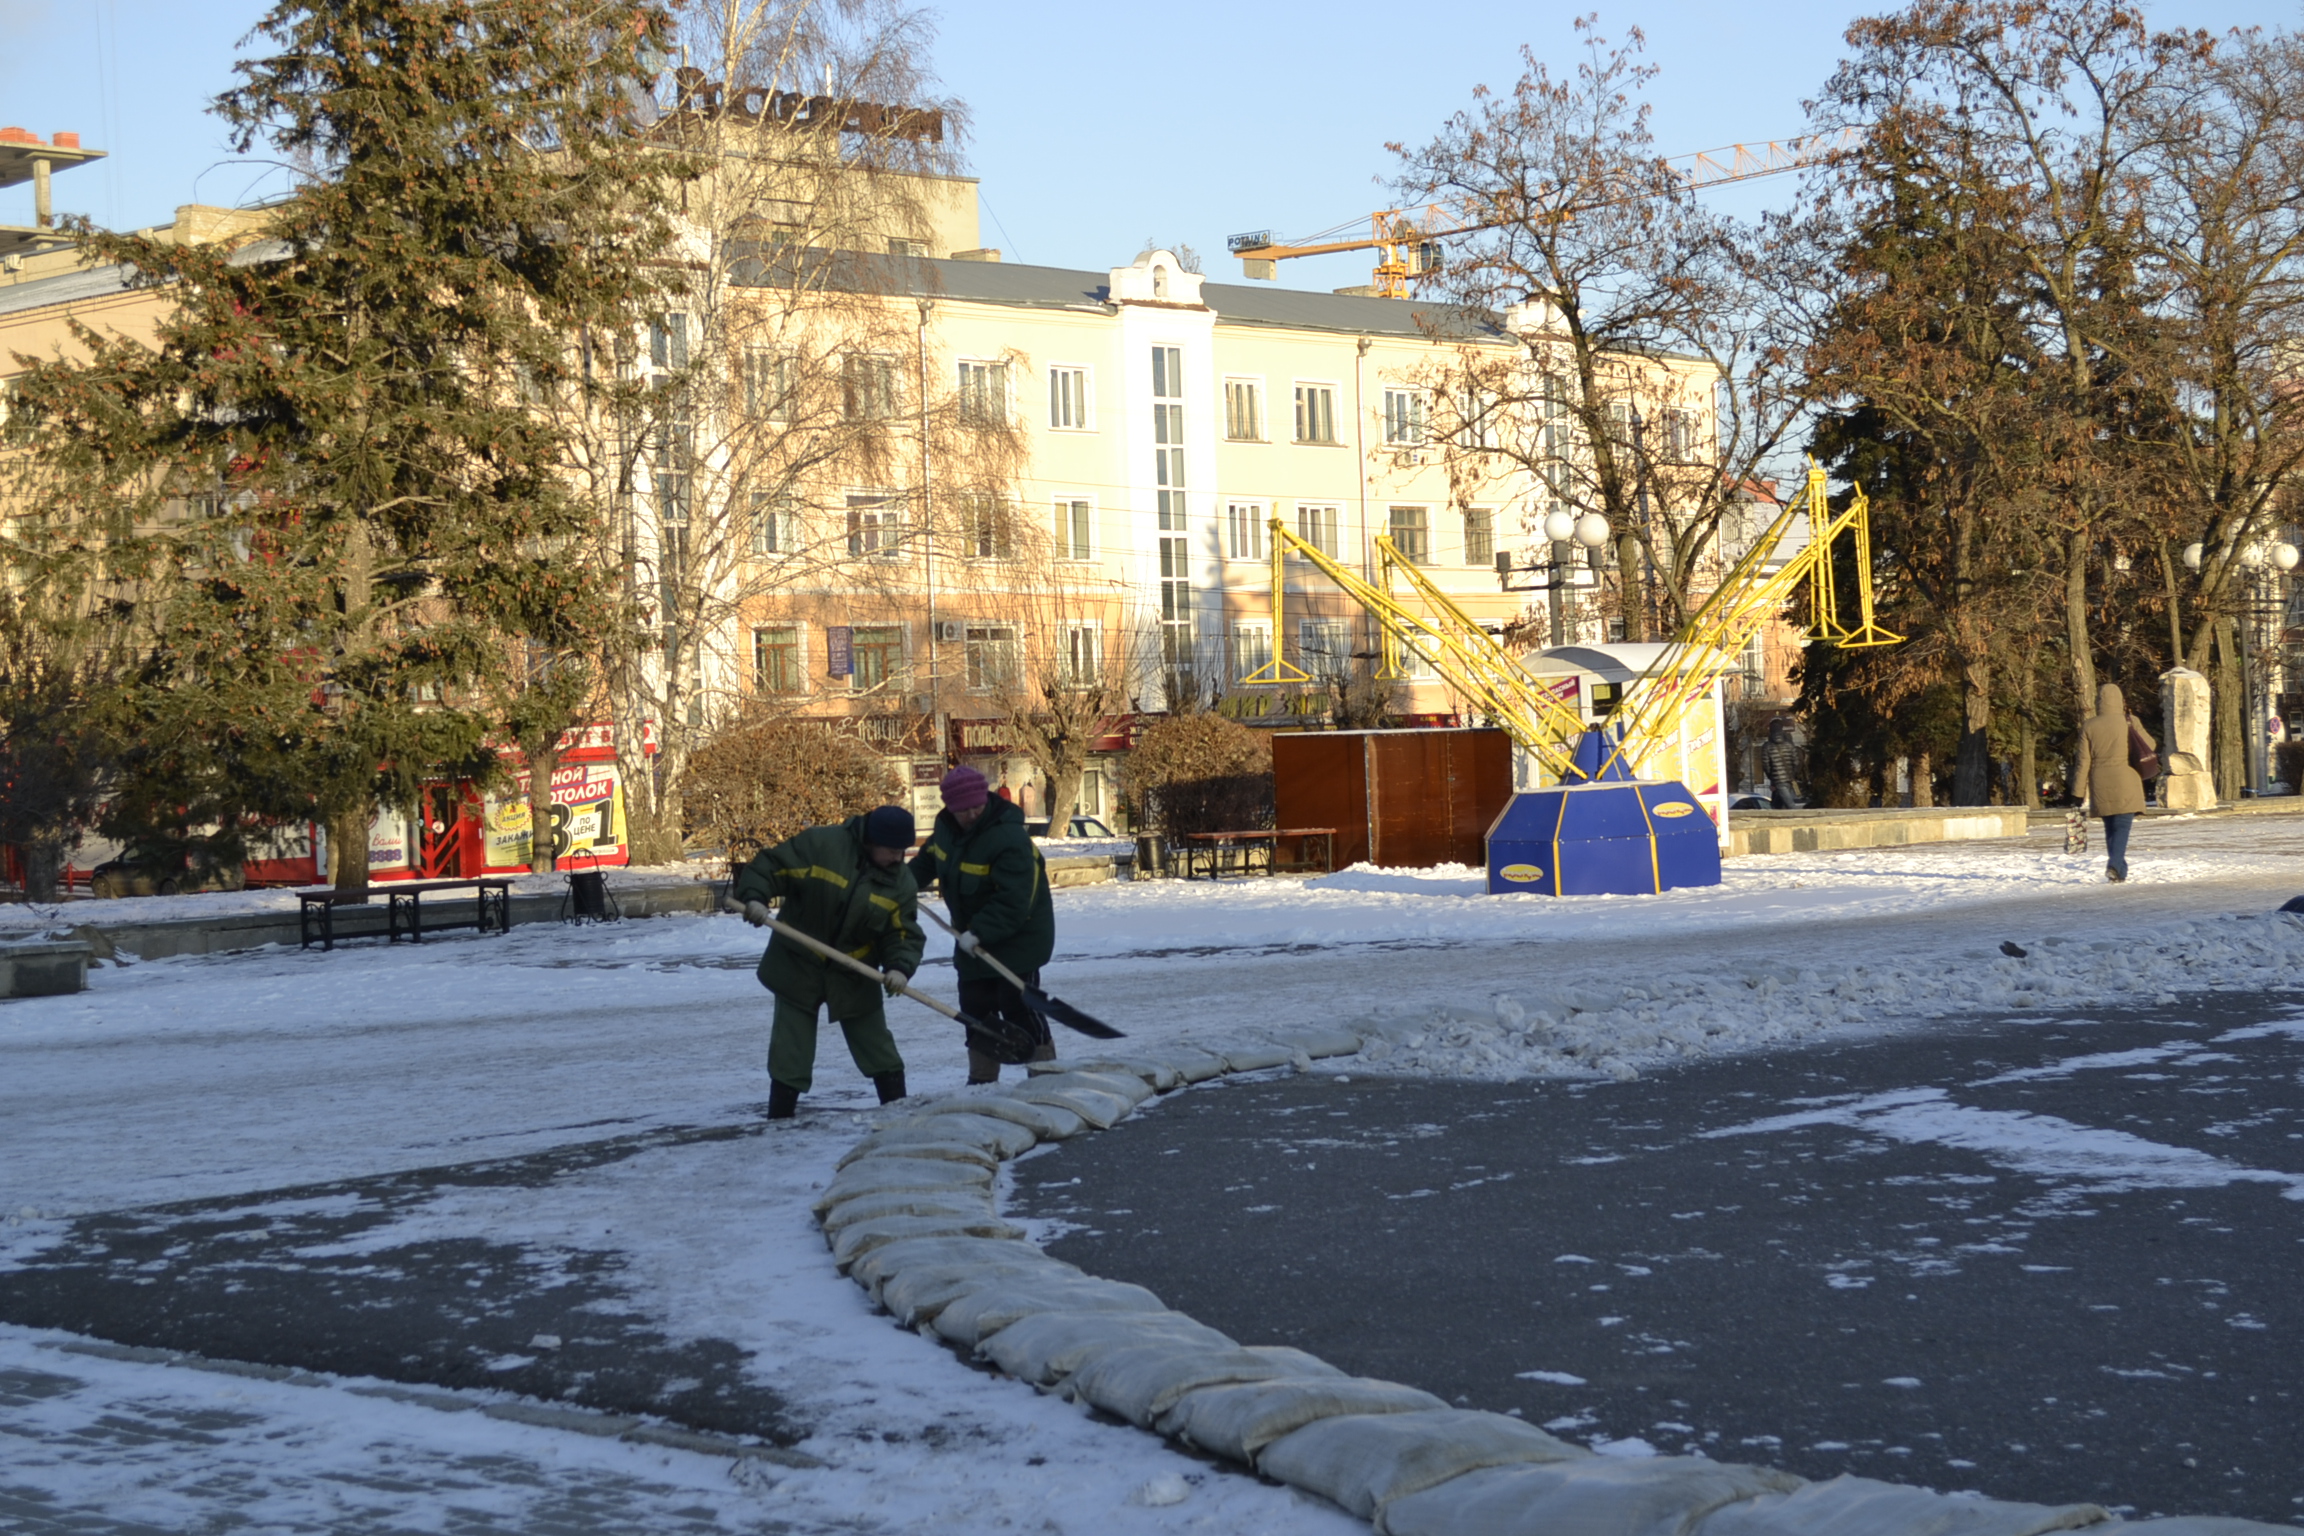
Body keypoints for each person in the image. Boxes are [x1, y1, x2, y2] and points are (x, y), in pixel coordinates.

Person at [733, 804, 924, 1119]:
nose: (898, 858)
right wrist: (755, 896)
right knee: (791, 1048)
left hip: (854, 971)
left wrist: (899, 967)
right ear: (871, 841)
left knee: (876, 1044)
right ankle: (780, 1118)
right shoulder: (822, 845)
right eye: (892, 850)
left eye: (903, 851)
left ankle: (897, 1110)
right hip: (798, 962)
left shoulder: (900, 883)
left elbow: (902, 933)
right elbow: (773, 866)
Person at [910, 765, 1057, 1084]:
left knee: (1018, 1006)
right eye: (963, 810)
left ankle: (1045, 1074)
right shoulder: (945, 832)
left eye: (977, 806)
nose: (972, 814)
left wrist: (980, 932)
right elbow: (926, 863)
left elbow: (1015, 898)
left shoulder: (1008, 838)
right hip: (970, 937)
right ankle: (982, 1079)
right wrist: (900, 887)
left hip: (1019, 939)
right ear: (950, 807)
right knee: (975, 1007)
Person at [2072, 683, 2152, 883]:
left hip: (2100, 781)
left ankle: (2119, 871)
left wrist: (2078, 792)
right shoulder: (2130, 721)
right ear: (2120, 700)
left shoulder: (2089, 726)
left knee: (2110, 827)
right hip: (2127, 778)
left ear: (2099, 701)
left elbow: (2083, 761)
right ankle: (2114, 865)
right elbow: (2150, 745)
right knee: (2122, 826)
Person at [1762, 719, 1803, 810]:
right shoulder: (1789, 745)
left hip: (1777, 779)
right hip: (1790, 778)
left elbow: (1766, 765)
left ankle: (1797, 817)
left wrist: (1772, 777)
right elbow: (1796, 762)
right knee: (1780, 803)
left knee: (1789, 805)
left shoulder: (1767, 746)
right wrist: (1793, 774)